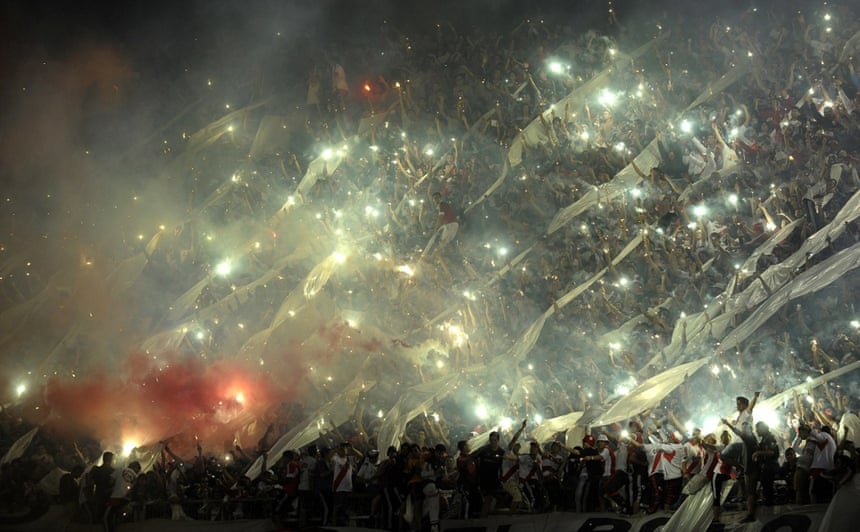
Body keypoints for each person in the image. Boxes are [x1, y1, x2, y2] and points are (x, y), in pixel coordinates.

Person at [329, 441, 362, 525]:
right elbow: (329, 457)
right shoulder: (336, 458)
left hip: (348, 487)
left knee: (345, 506)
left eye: (345, 448)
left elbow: (360, 456)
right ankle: (334, 523)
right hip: (338, 486)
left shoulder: (350, 459)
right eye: (342, 448)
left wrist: (352, 448)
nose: (343, 450)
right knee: (337, 506)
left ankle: (343, 523)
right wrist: (337, 448)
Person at [89, 451, 115, 524]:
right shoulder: (113, 471)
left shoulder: (96, 469)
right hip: (107, 497)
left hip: (99, 495)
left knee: (99, 517)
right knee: (107, 518)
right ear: (110, 460)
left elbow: (90, 482)